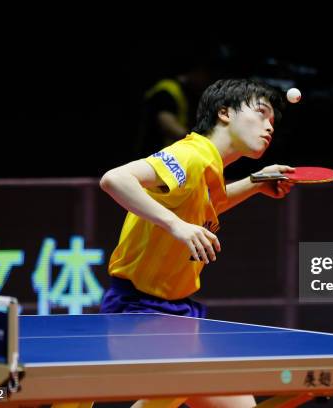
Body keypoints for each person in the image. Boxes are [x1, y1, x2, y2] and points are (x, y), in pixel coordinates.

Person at [100, 78, 292, 408]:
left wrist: (255, 183)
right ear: (224, 113)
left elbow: (206, 204)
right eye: (261, 113)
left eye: (272, 121)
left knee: (240, 406)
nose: (268, 126)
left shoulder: (210, 169)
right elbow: (115, 179)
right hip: (138, 312)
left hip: (175, 312)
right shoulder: (190, 155)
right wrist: (177, 226)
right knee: (179, 384)